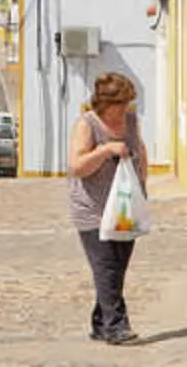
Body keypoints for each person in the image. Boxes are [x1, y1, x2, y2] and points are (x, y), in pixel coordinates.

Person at [68, 72, 148, 345]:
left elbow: (141, 150)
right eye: (120, 105)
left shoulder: (131, 121)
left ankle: (101, 323)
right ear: (104, 104)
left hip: (125, 208)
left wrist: (143, 186)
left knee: (118, 268)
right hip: (92, 210)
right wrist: (105, 150)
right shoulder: (87, 124)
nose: (124, 110)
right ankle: (116, 326)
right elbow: (77, 166)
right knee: (106, 269)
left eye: (127, 104)